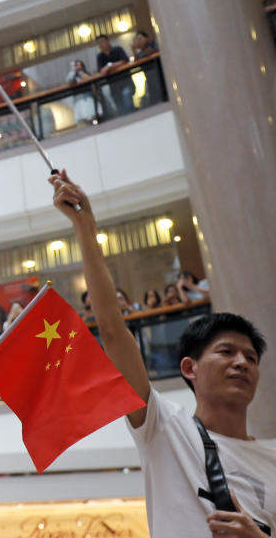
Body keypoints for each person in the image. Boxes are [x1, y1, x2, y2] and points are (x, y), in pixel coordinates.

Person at [50, 169, 275, 537]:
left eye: (251, 358)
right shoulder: (164, 428)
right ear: (190, 368)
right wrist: (85, 228)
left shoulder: (272, 461)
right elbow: (112, 329)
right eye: (227, 351)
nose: (241, 362)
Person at [95, 34, 134, 114]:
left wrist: (109, 66)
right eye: (98, 43)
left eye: (102, 42)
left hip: (126, 81)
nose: (101, 44)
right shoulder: (100, 56)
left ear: (108, 41)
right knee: (119, 106)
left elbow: (125, 61)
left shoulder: (118, 49)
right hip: (113, 86)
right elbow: (101, 70)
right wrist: (110, 67)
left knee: (128, 100)